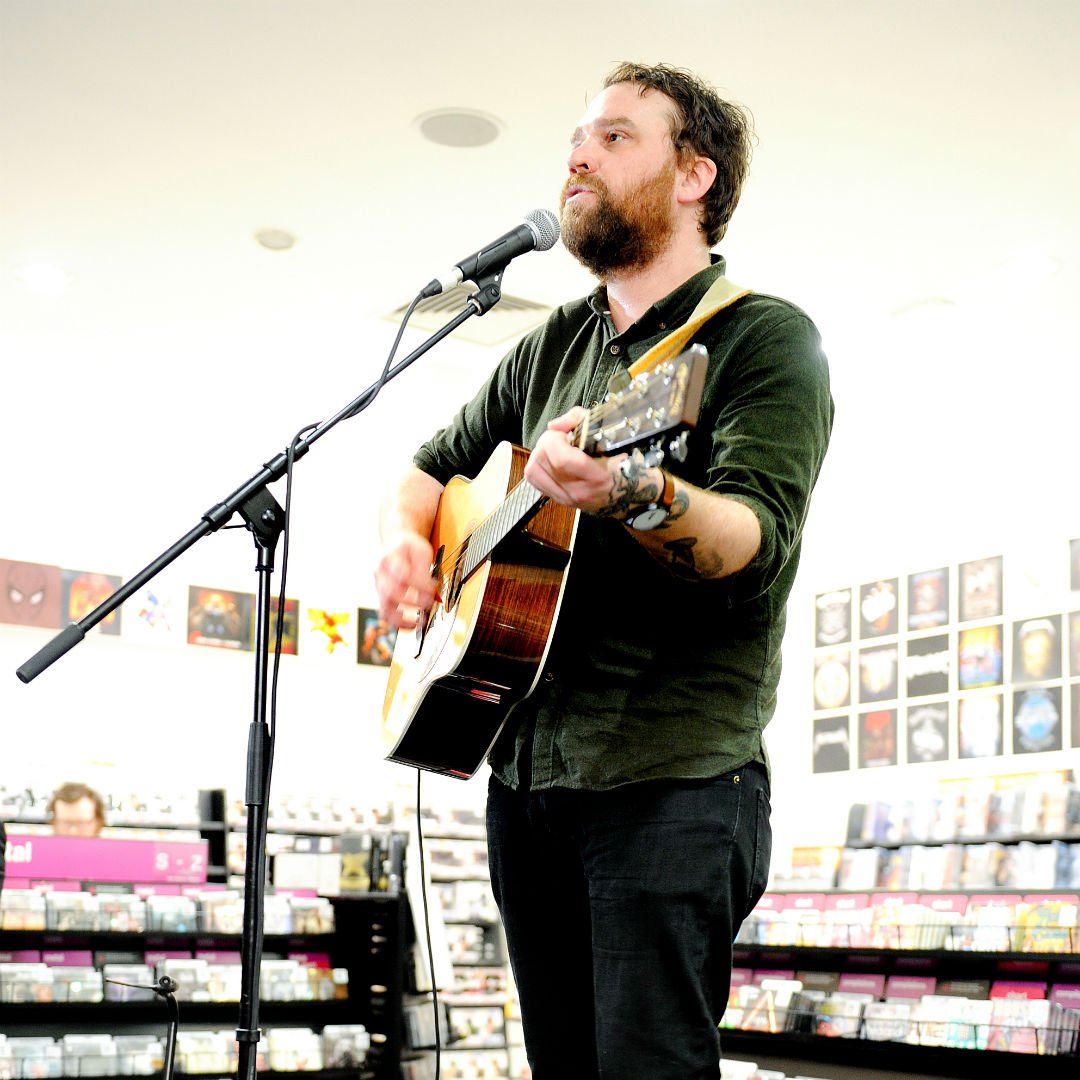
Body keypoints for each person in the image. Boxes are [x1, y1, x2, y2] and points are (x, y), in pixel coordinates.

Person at [375, 61, 834, 1078]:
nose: (578, 155)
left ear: (693, 175)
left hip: (671, 781)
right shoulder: (546, 348)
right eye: (577, 137)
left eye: (617, 136)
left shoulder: (764, 339)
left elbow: (754, 546)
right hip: (526, 776)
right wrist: (410, 541)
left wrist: (632, 492)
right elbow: (428, 469)